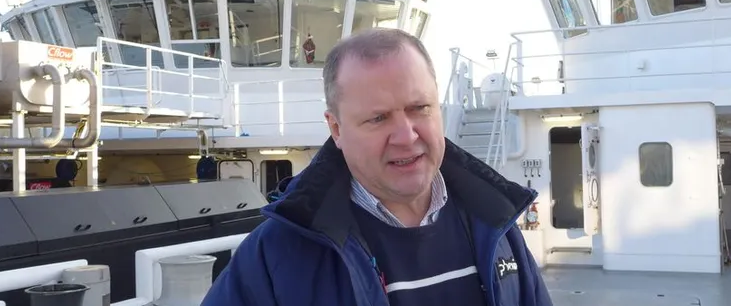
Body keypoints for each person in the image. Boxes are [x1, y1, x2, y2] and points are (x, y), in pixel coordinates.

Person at [202, 28, 552, 306]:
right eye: (378, 118)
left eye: (419, 108)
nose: (406, 135)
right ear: (336, 129)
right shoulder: (276, 254)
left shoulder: (494, 222)